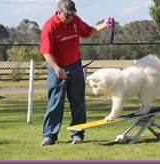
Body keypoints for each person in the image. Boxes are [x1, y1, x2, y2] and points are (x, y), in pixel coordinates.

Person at [39, 0, 113, 146]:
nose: (69, 19)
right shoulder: (49, 26)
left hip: (75, 67)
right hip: (58, 69)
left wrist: (104, 25)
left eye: (72, 15)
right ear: (59, 12)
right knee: (55, 103)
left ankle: (78, 134)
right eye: (67, 16)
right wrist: (57, 69)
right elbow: (46, 52)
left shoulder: (76, 21)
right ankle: (50, 136)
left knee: (78, 102)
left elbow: (88, 31)